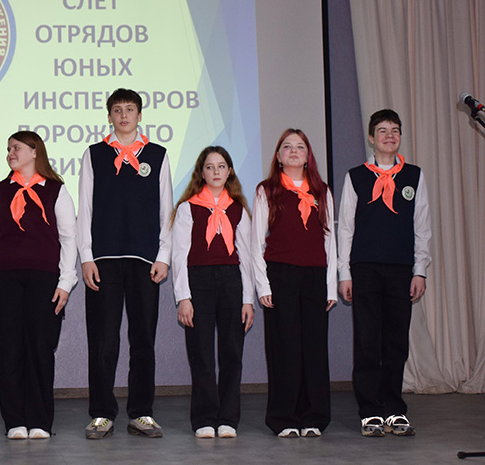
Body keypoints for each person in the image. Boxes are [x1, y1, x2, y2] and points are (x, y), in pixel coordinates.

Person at [77, 88, 173, 439]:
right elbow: (85, 208)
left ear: (139, 115)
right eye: (117, 110)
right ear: (109, 116)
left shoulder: (158, 155)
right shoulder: (95, 154)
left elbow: (166, 209)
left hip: (145, 260)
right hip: (104, 259)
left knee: (143, 338)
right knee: (103, 340)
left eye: (129, 109)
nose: (123, 116)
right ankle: (102, 413)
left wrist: (163, 256)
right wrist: (86, 256)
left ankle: (142, 413)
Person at [0, 131, 78, 440]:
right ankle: (15, 421)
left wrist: (65, 282)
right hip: (5, 281)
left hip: (45, 281)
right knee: (10, 350)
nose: (10, 153)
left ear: (35, 152)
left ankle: (40, 421)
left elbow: (69, 238)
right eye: (8, 148)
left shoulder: (56, 191)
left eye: (16, 148)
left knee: (41, 350)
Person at [337, 109, 431, 437]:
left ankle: (394, 408)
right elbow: (345, 227)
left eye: (395, 130)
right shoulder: (356, 177)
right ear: (371, 137)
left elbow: (422, 226)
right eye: (382, 130)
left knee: (396, 341)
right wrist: (344, 273)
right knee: (367, 340)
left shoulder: (414, 176)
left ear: (400, 136)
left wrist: (420, 270)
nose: (389, 136)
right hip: (364, 269)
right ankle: (370, 410)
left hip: (401, 269)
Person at [251, 129, 337, 438]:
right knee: (284, 348)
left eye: (300, 146)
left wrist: (330, 286)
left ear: (308, 155)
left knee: (313, 348)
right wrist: (263, 285)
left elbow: (330, 241)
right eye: (287, 146)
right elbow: (256, 243)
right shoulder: (267, 190)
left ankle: (313, 416)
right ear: (278, 156)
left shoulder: (322, 191)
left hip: (314, 276)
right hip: (280, 275)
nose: (293, 151)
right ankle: (283, 418)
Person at [171, 146, 254, 439]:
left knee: (232, 353)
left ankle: (228, 418)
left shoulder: (238, 209)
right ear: (201, 173)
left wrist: (248, 300)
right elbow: (179, 255)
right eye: (210, 167)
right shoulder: (188, 207)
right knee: (202, 354)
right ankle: (205, 418)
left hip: (232, 282)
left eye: (221, 166)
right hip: (199, 282)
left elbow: (246, 256)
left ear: (229, 171)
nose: (216, 171)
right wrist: (184, 297)